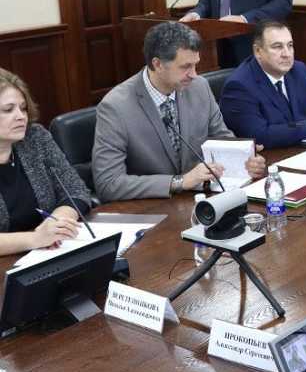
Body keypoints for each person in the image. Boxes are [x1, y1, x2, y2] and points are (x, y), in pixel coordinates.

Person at [92, 22, 266, 202]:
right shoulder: (116, 107)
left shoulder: (199, 87)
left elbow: (221, 138)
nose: (194, 74)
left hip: (202, 198)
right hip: (151, 206)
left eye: (195, 65)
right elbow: (108, 184)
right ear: (157, 64)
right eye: (186, 67)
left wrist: (246, 158)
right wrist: (179, 182)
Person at [0, 69, 87, 256]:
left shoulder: (35, 137)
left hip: (50, 252)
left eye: (23, 108)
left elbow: (76, 190)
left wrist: (57, 222)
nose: (21, 116)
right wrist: (35, 239)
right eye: (8, 110)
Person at [220, 20, 306, 149]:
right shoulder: (239, 86)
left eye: (290, 45)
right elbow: (260, 135)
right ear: (258, 51)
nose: (287, 54)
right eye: (277, 47)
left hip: (303, 149)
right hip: (269, 156)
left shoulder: (299, 70)